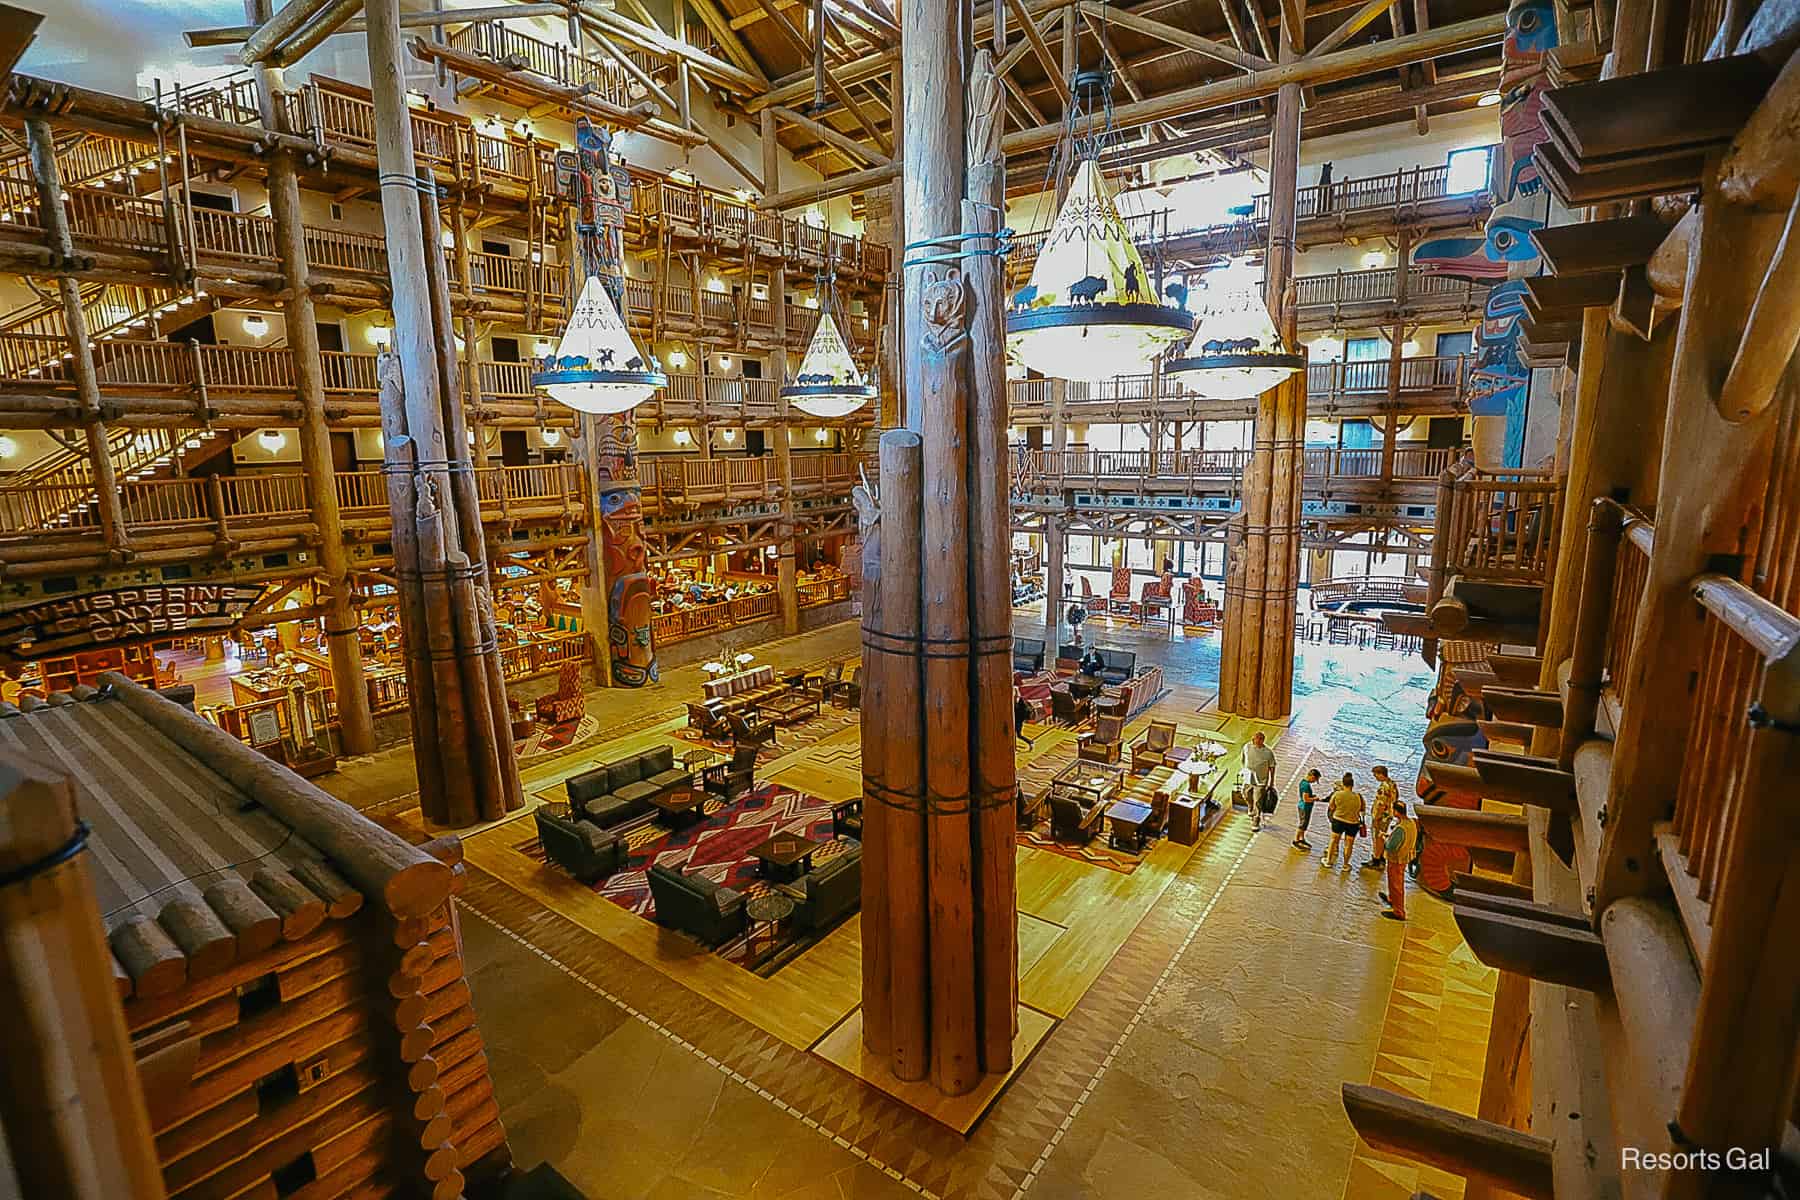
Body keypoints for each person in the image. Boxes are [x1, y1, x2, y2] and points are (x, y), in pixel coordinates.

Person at [1378, 799, 1419, 920]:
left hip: (1397, 859)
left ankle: (1399, 912)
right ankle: (1392, 899)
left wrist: (1383, 838)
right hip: (1405, 856)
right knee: (1394, 881)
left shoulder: (1400, 828)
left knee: (1396, 884)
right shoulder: (1411, 822)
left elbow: (1391, 847)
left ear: (1396, 812)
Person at [1324, 772, 1365, 868]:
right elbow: (1362, 809)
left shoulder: (1337, 794)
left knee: (1333, 840)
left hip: (1338, 820)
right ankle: (1345, 864)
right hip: (1353, 823)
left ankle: (1328, 861)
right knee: (1349, 844)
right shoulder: (1359, 796)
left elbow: (1331, 806)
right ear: (1352, 785)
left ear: (1343, 784)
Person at [1362, 765, 1399, 872]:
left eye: (1375, 775)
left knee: (1377, 837)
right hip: (1389, 815)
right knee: (1382, 836)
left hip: (1381, 817)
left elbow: (1381, 805)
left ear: (1380, 774)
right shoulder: (1393, 783)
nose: (1375, 777)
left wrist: (1376, 818)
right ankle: (1382, 858)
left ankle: (1376, 860)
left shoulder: (1383, 787)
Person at [1244, 732, 1276, 831]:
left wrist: (1271, 781)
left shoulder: (1268, 752)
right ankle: (1250, 806)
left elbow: (1272, 767)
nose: (1255, 741)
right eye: (1254, 739)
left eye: (1258, 739)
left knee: (1258, 800)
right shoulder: (1247, 747)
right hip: (1248, 778)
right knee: (1246, 794)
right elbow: (1243, 759)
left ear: (1262, 740)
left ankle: (1256, 819)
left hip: (1261, 780)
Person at [1292, 767, 1321, 851]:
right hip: (1304, 807)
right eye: (1315, 780)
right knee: (1302, 824)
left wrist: (1312, 796)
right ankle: (1296, 840)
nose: (1314, 782)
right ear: (1312, 776)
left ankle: (1301, 838)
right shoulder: (1306, 785)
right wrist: (1315, 799)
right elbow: (1306, 799)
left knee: (1305, 824)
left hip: (1304, 806)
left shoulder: (1303, 782)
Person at [1014, 685, 1034, 749]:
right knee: (1017, 735)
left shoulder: (1016, 706)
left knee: (1019, 735)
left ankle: (1030, 742)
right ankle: (1015, 746)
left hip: (1017, 722)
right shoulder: (1022, 704)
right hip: (1019, 722)